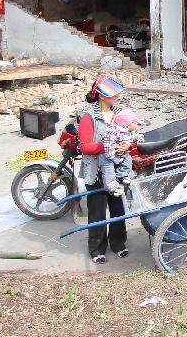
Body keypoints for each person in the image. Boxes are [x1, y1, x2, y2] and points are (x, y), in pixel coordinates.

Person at [78, 75, 130, 264]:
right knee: (97, 211)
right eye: (112, 93)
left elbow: (129, 134)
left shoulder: (120, 114)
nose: (117, 96)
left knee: (118, 209)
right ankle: (97, 248)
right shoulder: (88, 117)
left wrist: (125, 146)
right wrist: (108, 146)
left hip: (116, 171)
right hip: (97, 172)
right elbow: (86, 147)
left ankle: (118, 243)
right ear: (101, 96)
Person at [100, 108, 143, 197]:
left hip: (122, 154)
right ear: (126, 125)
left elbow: (133, 136)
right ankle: (112, 188)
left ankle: (122, 175)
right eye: (134, 122)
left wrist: (138, 137)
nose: (137, 124)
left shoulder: (130, 131)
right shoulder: (114, 132)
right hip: (108, 156)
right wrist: (112, 155)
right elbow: (107, 142)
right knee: (108, 172)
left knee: (128, 160)